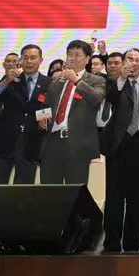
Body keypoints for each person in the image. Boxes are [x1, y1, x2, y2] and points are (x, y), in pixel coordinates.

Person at [100, 53, 139, 253]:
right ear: (124, 63)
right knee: (114, 199)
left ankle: (132, 245)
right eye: (130, 59)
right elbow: (111, 98)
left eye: (137, 60)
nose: (134, 63)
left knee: (137, 200)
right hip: (118, 147)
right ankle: (111, 244)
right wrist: (122, 78)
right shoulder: (114, 83)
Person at [40, 40, 106, 185]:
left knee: (75, 191)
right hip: (52, 143)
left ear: (87, 59)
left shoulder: (96, 80)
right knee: (49, 190)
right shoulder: (56, 82)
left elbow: (96, 99)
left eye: (77, 55)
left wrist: (76, 80)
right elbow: (45, 105)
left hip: (78, 145)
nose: (72, 58)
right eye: (69, 54)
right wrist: (42, 120)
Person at [0, 43, 52, 185]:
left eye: (33, 58)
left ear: (41, 60)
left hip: (31, 143)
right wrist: (6, 81)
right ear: (20, 60)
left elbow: (47, 109)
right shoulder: (10, 80)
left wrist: (43, 123)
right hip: (5, 141)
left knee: (23, 190)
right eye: (25, 58)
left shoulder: (48, 83)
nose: (29, 61)